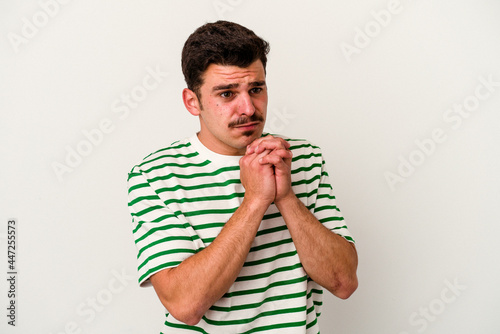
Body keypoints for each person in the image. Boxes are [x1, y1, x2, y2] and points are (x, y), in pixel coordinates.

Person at [127, 20, 358, 333]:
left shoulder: (303, 158)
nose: (248, 108)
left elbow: (343, 282)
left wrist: (286, 197)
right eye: (226, 94)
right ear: (192, 102)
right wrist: (256, 201)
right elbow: (185, 305)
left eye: (256, 89)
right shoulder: (156, 175)